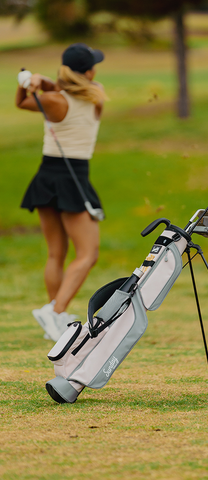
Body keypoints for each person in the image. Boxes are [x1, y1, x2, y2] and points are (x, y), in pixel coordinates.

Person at [15, 43, 107, 342]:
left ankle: (55, 317)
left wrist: (29, 85)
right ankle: (55, 313)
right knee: (88, 253)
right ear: (89, 71)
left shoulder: (52, 100)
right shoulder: (97, 95)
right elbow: (72, 93)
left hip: (46, 175)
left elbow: (24, 103)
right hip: (73, 177)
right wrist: (44, 85)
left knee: (57, 253)